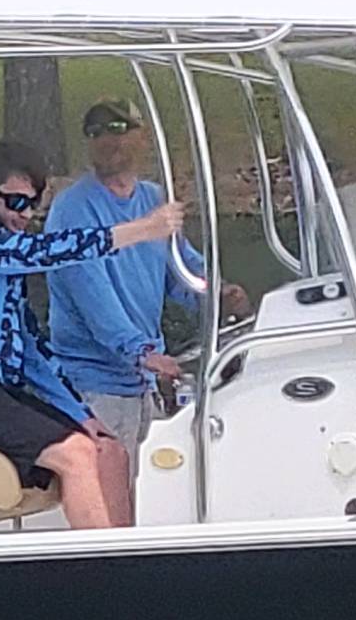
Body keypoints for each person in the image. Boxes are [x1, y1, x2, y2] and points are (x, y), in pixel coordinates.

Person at [0, 138, 183, 529]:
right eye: (16, 202)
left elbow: (32, 350)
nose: (26, 213)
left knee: (108, 450)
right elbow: (44, 251)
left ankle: (125, 561)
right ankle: (108, 575)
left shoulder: (2, 270)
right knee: (77, 454)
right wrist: (142, 230)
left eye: (33, 204)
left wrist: (79, 413)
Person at [46, 98, 250, 484]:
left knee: (157, 488)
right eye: (96, 132)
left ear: (143, 137)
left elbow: (181, 270)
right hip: (96, 386)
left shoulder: (154, 199)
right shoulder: (70, 210)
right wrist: (142, 352)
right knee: (115, 496)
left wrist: (219, 294)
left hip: (145, 383)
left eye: (118, 129)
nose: (107, 139)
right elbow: (92, 296)